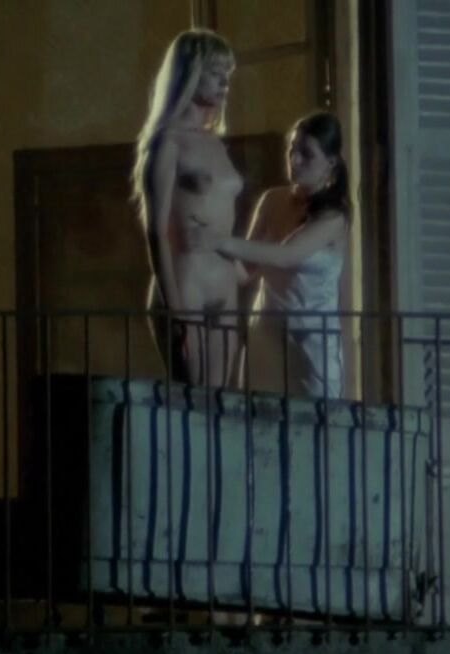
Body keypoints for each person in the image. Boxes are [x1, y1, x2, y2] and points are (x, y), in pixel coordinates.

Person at [199, 111, 351, 400]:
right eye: (292, 149)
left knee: (313, 422)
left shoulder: (334, 217)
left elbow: (286, 255)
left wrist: (220, 241)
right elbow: (245, 272)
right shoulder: (272, 200)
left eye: (306, 154)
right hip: (265, 336)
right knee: (255, 418)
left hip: (310, 344)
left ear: (330, 162)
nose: (295, 159)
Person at [132, 29, 246, 387]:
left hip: (223, 284)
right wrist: (176, 311)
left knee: (219, 403)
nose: (224, 82)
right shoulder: (167, 143)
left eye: (227, 73)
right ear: (190, 73)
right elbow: (156, 231)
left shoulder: (215, 141)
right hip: (187, 282)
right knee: (193, 402)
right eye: (215, 72)